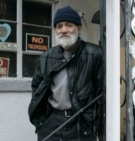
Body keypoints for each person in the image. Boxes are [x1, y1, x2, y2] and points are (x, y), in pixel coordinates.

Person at [28, 6, 104, 141]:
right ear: (55, 30)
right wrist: (42, 122)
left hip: (80, 123)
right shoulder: (46, 57)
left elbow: (101, 93)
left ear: (79, 28)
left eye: (69, 25)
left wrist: (96, 125)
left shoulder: (94, 54)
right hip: (51, 122)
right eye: (59, 26)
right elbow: (36, 88)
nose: (63, 30)